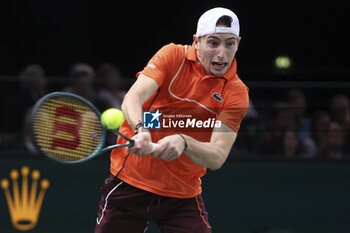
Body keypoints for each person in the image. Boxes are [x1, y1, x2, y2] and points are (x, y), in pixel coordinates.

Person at [95, 7, 249, 233]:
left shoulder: (236, 92)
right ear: (196, 41)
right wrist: (141, 129)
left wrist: (183, 141)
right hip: (131, 183)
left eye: (230, 44)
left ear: (238, 43)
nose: (222, 54)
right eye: (213, 43)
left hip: (182, 196)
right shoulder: (173, 55)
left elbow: (217, 156)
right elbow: (133, 98)